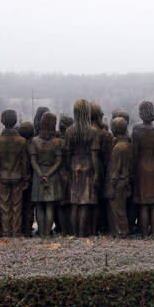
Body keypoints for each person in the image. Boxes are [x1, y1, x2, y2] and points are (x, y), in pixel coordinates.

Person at [64, 99, 101, 237]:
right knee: (84, 203)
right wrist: (97, 172)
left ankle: (74, 233)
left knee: (74, 203)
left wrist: (68, 169)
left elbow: (67, 153)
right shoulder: (93, 131)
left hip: (74, 165)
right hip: (88, 166)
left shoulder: (69, 131)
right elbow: (95, 155)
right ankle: (81, 233)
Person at [0, 109, 29, 237]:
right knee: (17, 206)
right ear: (15, 121)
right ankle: (16, 231)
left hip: (2, 177)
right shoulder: (22, 141)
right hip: (17, 176)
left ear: (2, 121)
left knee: (4, 206)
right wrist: (25, 178)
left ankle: (6, 232)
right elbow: (24, 163)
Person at [132, 101, 154, 238]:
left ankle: (145, 234)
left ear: (141, 114)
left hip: (141, 168)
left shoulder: (136, 132)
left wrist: (133, 169)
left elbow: (134, 155)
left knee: (144, 204)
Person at [30, 112, 63, 238]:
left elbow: (33, 160)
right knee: (49, 205)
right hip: (52, 175)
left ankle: (41, 231)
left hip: (38, 175)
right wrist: (48, 174)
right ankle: (47, 233)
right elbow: (58, 161)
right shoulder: (56, 142)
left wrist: (41, 174)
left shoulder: (34, 141)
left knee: (39, 205)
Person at [105, 117, 133, 238]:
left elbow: (115, 169)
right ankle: (121, 231)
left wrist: (111, 185)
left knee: (117, 209)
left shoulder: (118, 148)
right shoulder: (128, 144)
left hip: (118, 182)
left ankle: (122, 232)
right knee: (121, 208)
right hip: (126, 180)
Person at [91, 102, 113, 235]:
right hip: (101, 168)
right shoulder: (104, 134)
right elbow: (108, 156)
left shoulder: (82, 132)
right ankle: (102, 225)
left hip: (87, 170)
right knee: (100, 199)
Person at [55, 115, 74, 235]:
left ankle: (61, 228)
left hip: (59, 174)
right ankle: (67, 228)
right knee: (67, 204)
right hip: (67, 173)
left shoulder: (56, 142)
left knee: (61, 205)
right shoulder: (68, 143)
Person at [18, 121, 35, 237]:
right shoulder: (34, 145)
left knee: (21, 205)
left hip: (21, 179)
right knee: (29, 206)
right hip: (32, 179)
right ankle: (28, 229)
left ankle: (22, 227)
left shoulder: (19, 146)